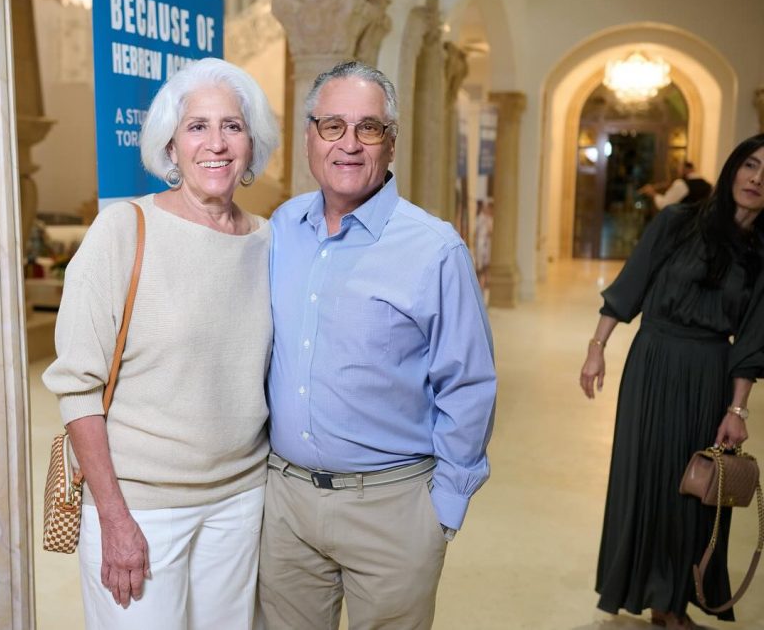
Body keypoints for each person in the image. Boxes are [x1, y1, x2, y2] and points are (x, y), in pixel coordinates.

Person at [258, 61, 497, 630]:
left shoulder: (435, 248)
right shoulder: (282, 227)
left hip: (393, 510)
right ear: (310, 138)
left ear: (390, 144)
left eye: (368, 128)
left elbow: (469, 384)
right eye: (333, 125)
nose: (349, 144)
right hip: (285, 507)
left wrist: (443, 508)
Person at [42, 58, 279, 629]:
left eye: (232, 125)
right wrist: (116, 520)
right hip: (141, 506)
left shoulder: (270, 241)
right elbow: (78, 388)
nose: (217, 143)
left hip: (241, 500)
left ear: (251, 143)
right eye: (197, 126)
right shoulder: (123, 230)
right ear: (170, 147)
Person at [579, 134, 764, 630]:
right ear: (732, 170)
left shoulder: (761, 254)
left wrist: (738, 408)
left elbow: (752, 339)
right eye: (750, 165)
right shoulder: (678, 222)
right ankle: (652, 594)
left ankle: (675, 600)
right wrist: (597, 348)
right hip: (653, 361)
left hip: (710, 373)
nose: (757, 179)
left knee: (696, 488)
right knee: (649, 478)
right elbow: (631, 284)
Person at [639, 160, 712, 210]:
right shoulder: (708, 185)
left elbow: (665, 205)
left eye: (680, 169)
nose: (679, 172)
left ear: (686, 169)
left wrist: (653, 194)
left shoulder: (681, 184)